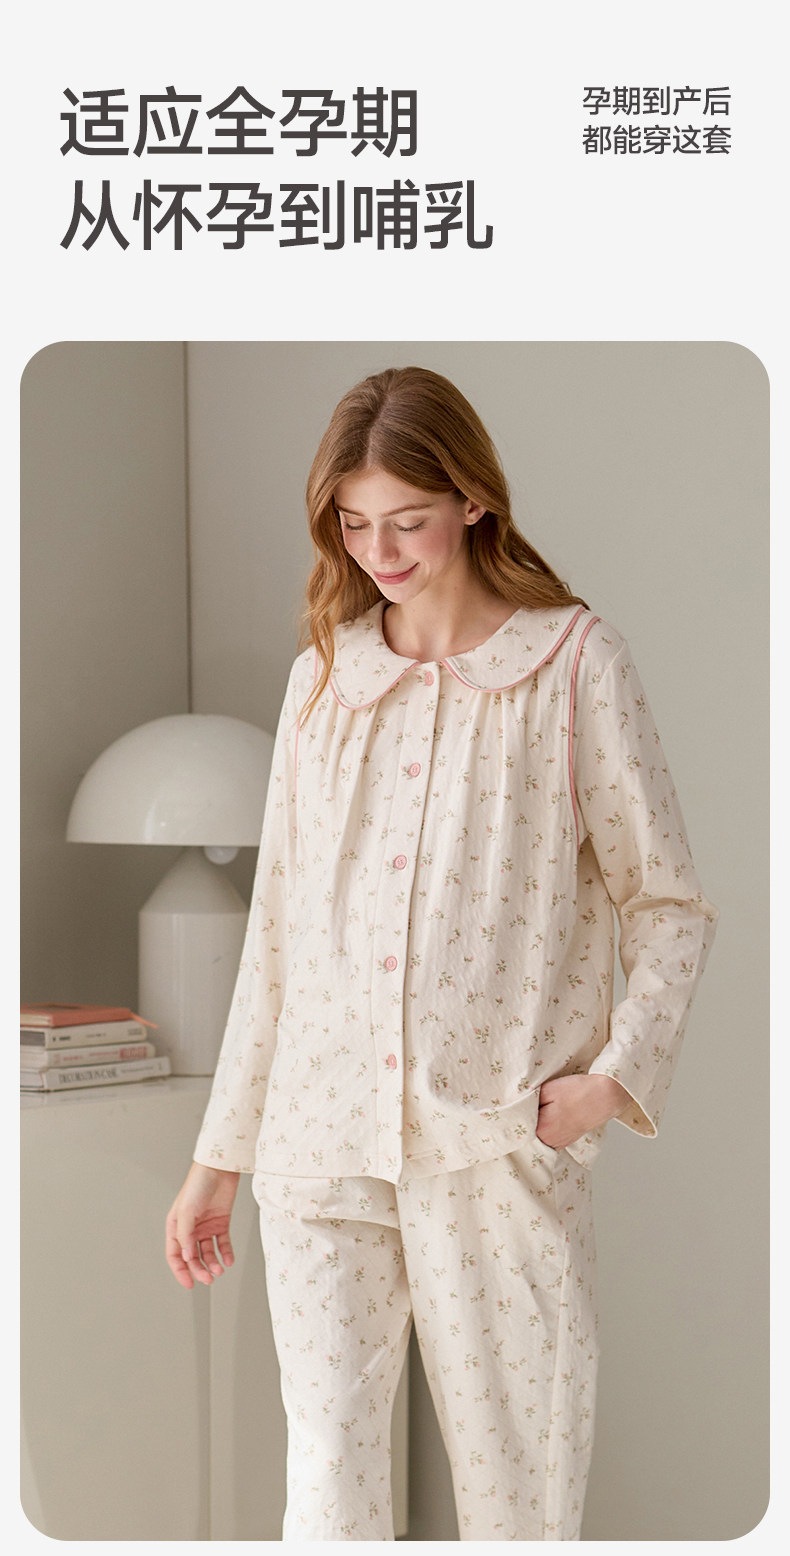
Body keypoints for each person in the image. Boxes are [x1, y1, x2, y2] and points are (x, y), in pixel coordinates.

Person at [165, 366, 718, 1541]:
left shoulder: (573, 665)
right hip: (318, 1142)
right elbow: (277, 934)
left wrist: (613, 1078)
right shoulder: (324, 678)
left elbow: (667, 900)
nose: (378, 551)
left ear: (472, 499)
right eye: (353, 523)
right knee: (327, 1485)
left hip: (493, 1140)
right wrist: (219, 1158)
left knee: (521, 1492)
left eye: (406, 521)